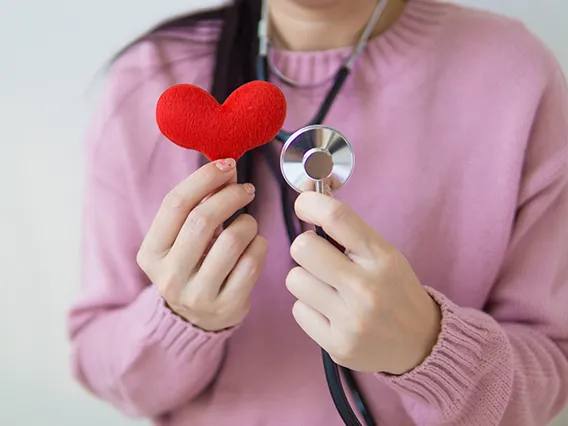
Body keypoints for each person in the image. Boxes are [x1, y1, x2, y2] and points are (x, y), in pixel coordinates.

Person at [66, 0, 568, 424]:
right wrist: (177, 319)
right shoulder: (147, 79)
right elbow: (98, 360)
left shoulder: (513, 75)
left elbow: (553, 371)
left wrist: (429, 348)